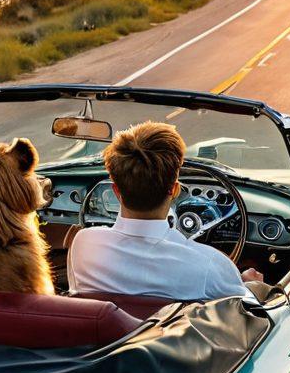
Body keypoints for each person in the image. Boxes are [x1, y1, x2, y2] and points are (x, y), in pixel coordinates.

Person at [67, 121, 262, 301]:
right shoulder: (210, 266)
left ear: (116, 191)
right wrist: (252, 286)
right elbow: (249, 312)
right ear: (175, 190)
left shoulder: (83, 245)